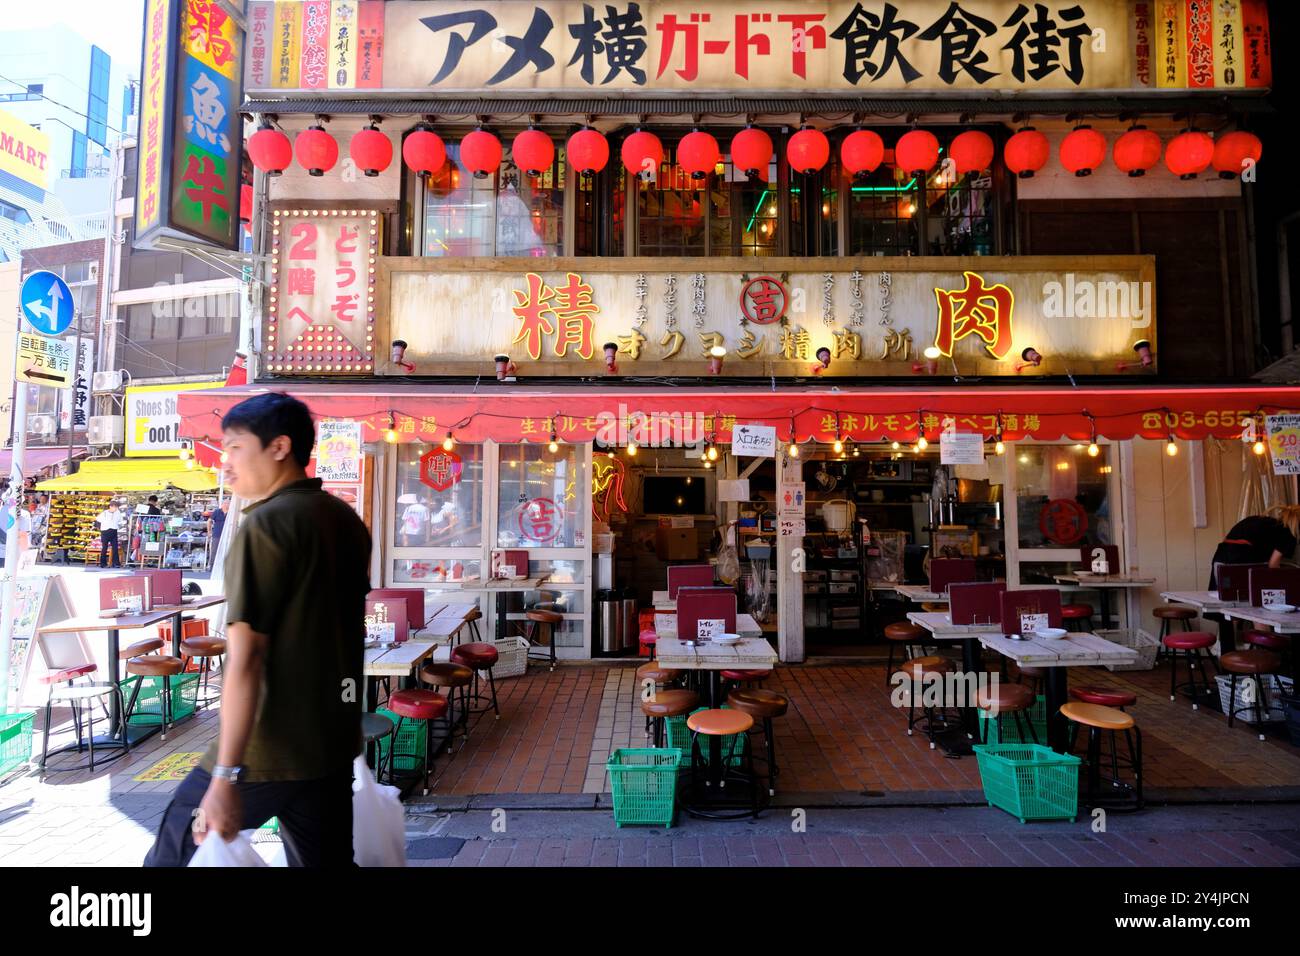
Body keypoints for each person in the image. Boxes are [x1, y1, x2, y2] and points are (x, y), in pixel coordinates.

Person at [144, 392, 371, 867]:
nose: (225, 464)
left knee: (172, 853)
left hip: (266, 749)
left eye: (234, 447)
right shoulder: (345, 521)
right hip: (329, 741)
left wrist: (224, 776)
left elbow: (246, 657)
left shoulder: (265, 526)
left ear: (279, 447)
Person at [1208, 505, 1300, 589]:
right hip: (1236, 566)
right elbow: (1273, 565)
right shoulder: (1287, 534)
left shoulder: (1263, 521)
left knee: (1223, 598)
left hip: (1220, 560)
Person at [95, 500, 123, 568]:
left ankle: (116, 563)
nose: (116, 508)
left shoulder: (118, 512)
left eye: (116, 507)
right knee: (104, 547)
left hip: (113, 530)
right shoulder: (104, 513)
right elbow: (97, 520)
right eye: (114, 507)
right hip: (105, 531)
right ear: (110, 506)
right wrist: (100, 528)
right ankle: (103, 563)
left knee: (115, 547)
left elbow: (120, 520)